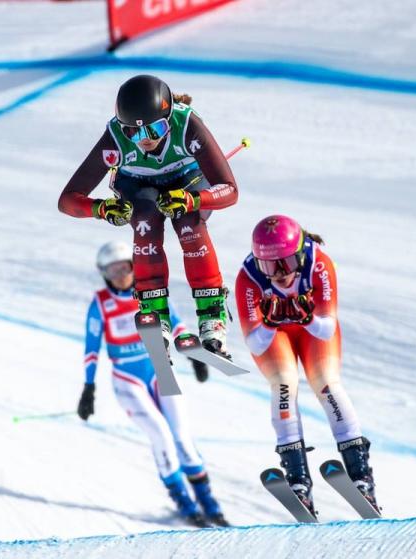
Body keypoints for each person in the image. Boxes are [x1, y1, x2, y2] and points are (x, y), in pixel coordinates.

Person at [58, 74, 239, 358]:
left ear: (169, 117)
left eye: (156, 129)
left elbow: (230, 190)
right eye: (135, 132)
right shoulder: (115, 137)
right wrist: (100, 208)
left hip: (189, 180)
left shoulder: (188, 126)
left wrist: (193, 199)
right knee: (145, 221)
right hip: (139, 186)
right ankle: (154, 311)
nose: (146, 140)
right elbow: (67, 200)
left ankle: (211, 316)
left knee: (189, 223)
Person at [234, 215, 378, 516]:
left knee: (326, 383)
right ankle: (298, 479)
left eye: (285, 264)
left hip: (314, 330)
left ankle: (361, 475)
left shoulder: (318, 263)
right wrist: (272, 323)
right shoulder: (248, 277)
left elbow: (326, 328)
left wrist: (307, 317)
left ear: (300, 254)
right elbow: (256, 343)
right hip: (275, 336)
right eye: (269, 267)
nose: (278, 275)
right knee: (283, 383)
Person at [76, 241, 226, 527]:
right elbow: (91, 347)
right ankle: (184, 501)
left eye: (124, 267)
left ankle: (209, 503)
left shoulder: (150, 294)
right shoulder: (100, 304)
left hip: (161, 370)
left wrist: (194, 355)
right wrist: (88, 387)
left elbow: (177, 324)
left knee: (182, 438)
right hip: (127, 380)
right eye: (112, 270)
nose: (119, 275)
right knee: (162, 435)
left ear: (134, 266)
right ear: (104, 273)